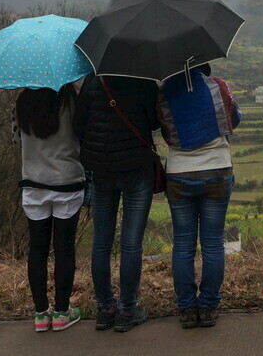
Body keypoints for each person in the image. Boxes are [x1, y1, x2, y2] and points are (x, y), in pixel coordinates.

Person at [156, 64, 241, 329]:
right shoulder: (218, 86)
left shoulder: (163, 92)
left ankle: (186, 309)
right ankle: (208, 306)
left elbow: (163, 130)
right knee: (213, 242)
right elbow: (234, 119)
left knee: (183, 244)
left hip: (180, 172)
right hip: (217, 168)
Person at [75, 73, 160, 333]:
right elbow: (155, 122)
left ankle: (105, 309)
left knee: (101, 242)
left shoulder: (91, 82)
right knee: (131, 243)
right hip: (136, 168)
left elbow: (79, 126)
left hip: (101, 170)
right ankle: (126, 310)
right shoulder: (144, 80)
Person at [14, 83, 87, 332]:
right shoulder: (70, 99)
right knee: (64, 248)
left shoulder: (22, 102)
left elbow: (17, 139)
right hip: (67, 180)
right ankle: (62, 312)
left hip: (33, 183)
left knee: (37, 250)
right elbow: (82, 133)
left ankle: (41, 313)